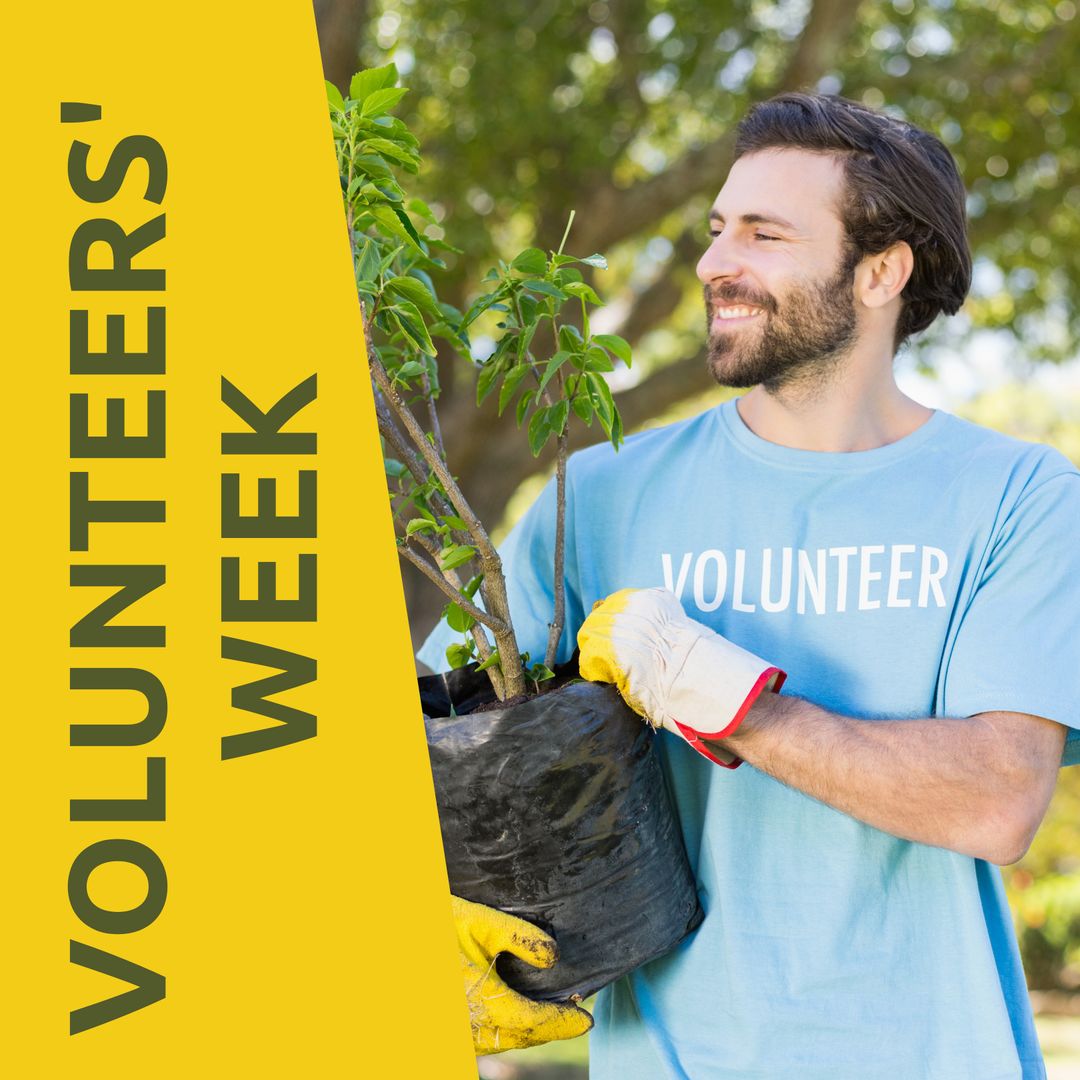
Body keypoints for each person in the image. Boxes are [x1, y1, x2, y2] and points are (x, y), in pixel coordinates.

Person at [421, 93, 1080, 1078]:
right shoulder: (594, 500)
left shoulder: (1020, 498)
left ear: (881, 272)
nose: (714, 263)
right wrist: (434, 912)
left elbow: (997, 798)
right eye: (718, 229)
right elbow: (418, 747)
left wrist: (725, 700)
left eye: (764, 234)